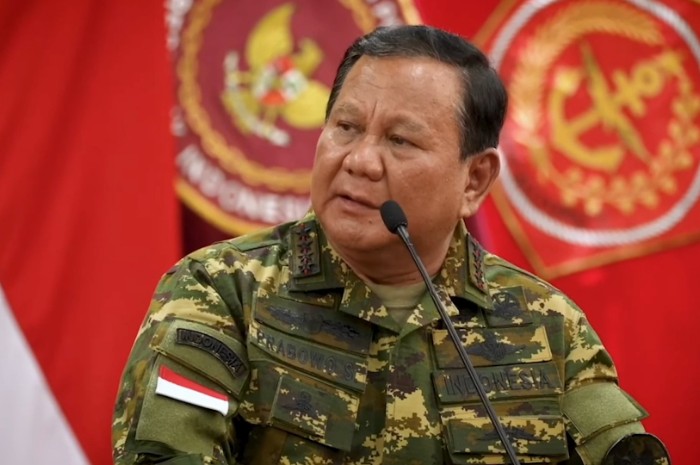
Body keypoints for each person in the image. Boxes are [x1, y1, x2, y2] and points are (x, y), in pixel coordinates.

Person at [112, 25, 670, 465]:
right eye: (346, 127)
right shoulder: (222, 291)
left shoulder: (547, 324)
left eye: (400, 141)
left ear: (474, 179)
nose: (359, 161)